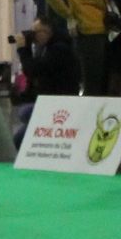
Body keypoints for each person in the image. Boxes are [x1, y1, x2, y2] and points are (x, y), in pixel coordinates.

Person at [11, 16, 81, 147]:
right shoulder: (46, 48)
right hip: (48, 101)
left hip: (59, 103)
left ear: (47, 31)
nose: (34, 36)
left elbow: (33, 70)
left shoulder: (59, 49)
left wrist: (23, 50)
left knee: (22, 124)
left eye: (36, 32)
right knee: (23, 113)